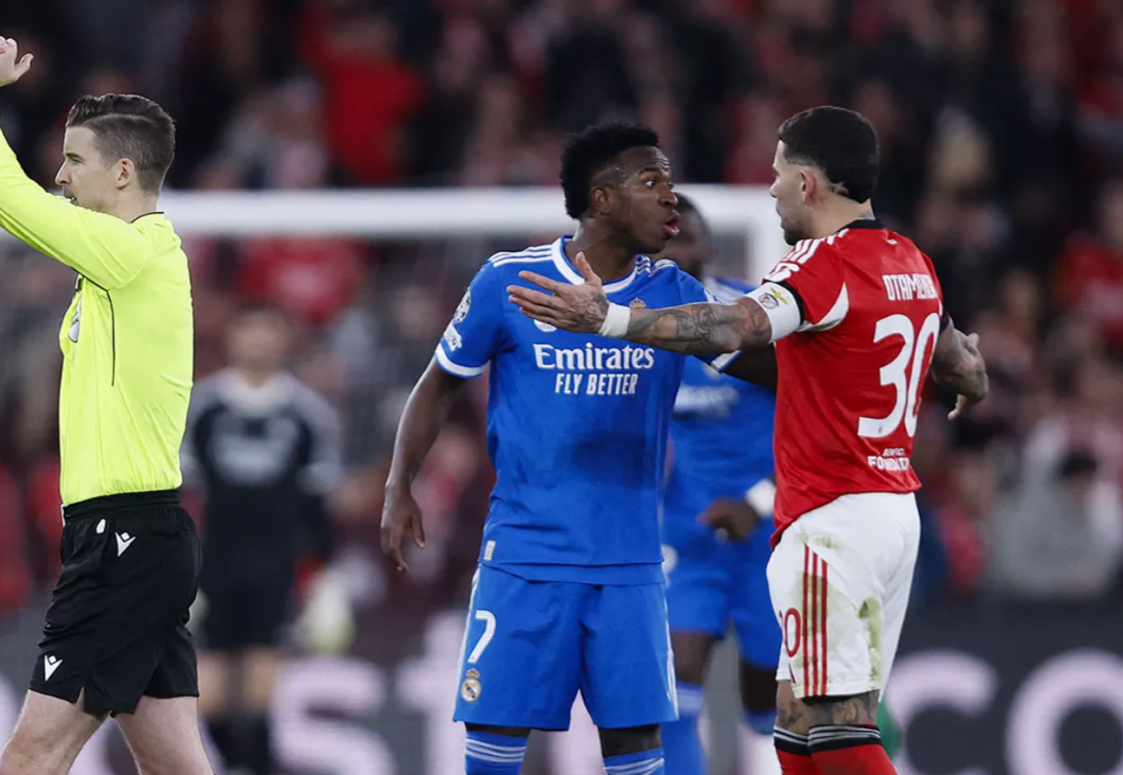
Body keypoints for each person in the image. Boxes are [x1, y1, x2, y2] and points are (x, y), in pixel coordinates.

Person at [507, 106, 988, 775]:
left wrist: (610, 319)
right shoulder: (911, 260)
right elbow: (956, 357)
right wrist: (975, 381)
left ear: (809, 184)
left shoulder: (820, 265)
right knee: (797, 726)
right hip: (888, 510)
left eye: (779, 172)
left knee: (838, 727)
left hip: (831, 518)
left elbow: (735, 325)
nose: (771, 188)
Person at [382, 121, 772, 775]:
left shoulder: (672, 293)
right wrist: (401, 483)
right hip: (525, 558)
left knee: (636, 744)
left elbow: (773, 371)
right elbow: (440, 381)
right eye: (651, 181)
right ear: (602, 198)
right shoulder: (510, 280)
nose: (671, 197)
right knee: (495, 738)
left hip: (633, 566)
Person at [0, 23, 212, 775]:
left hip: (125, 538)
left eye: (73, 160)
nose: (59, 176)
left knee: (29, 758)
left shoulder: (135, 254)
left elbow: (2, 189)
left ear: (123, 172)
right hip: (130, 535)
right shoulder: (117, 265)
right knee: (176, 766)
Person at [183, 303, 343, 775]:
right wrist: (177, 567)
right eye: (249, 330)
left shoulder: (307, 414)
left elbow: (318, 504)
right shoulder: (202, 407)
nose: (258, 341)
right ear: (232, 338)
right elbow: (182, 495)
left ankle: (250, 765)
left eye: (268, 331)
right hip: (213, 566)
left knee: (259, 695)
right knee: (207, 697)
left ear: (284, 340)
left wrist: (323, 576)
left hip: (275, 567)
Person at [652, 195, 781, 775]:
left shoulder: (754, 319)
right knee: (675, 689)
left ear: (709, 245)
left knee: (769, 710)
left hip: (770, 535)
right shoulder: (632, 331)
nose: (673, 251)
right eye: (664, 239)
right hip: (690, 536)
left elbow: (822, 426)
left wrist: (758, 502)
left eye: (686, 237)